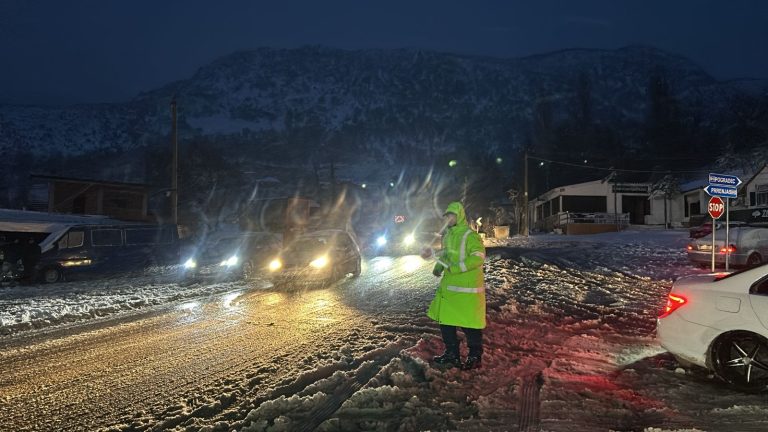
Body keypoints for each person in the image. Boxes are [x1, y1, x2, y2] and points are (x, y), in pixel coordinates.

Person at [426, 201, 487, 370]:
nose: (449, 219)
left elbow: (478, 257)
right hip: (450, 288)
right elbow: (447, 256)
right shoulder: (448, 236)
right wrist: (439, 267)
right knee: (446, 322)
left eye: (452, 215)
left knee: (470, 325)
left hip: (467, 290)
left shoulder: (470, 235)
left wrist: (456, 268)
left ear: (459, 216)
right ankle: (452, 354)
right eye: (447, 216)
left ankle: (475, 357)